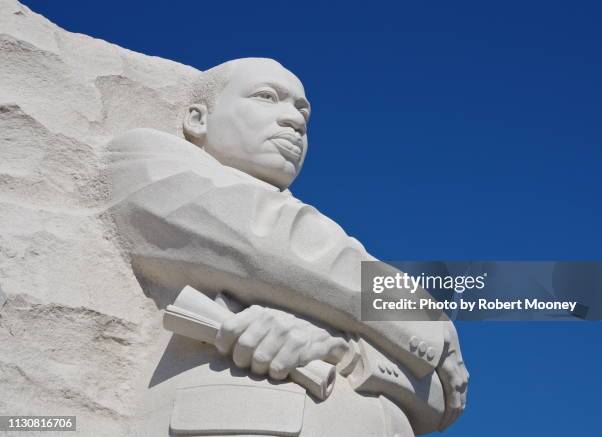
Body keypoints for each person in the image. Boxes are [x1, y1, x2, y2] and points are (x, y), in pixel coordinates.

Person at [106, 58, 468, 437]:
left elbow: (444, 401)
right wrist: (428, 320)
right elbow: (272, 245)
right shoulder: (145, 162)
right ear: (198, 119)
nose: (294, 122)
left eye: (302, 114)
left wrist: (343, 348)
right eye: (266, 97)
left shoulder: (335, 238)